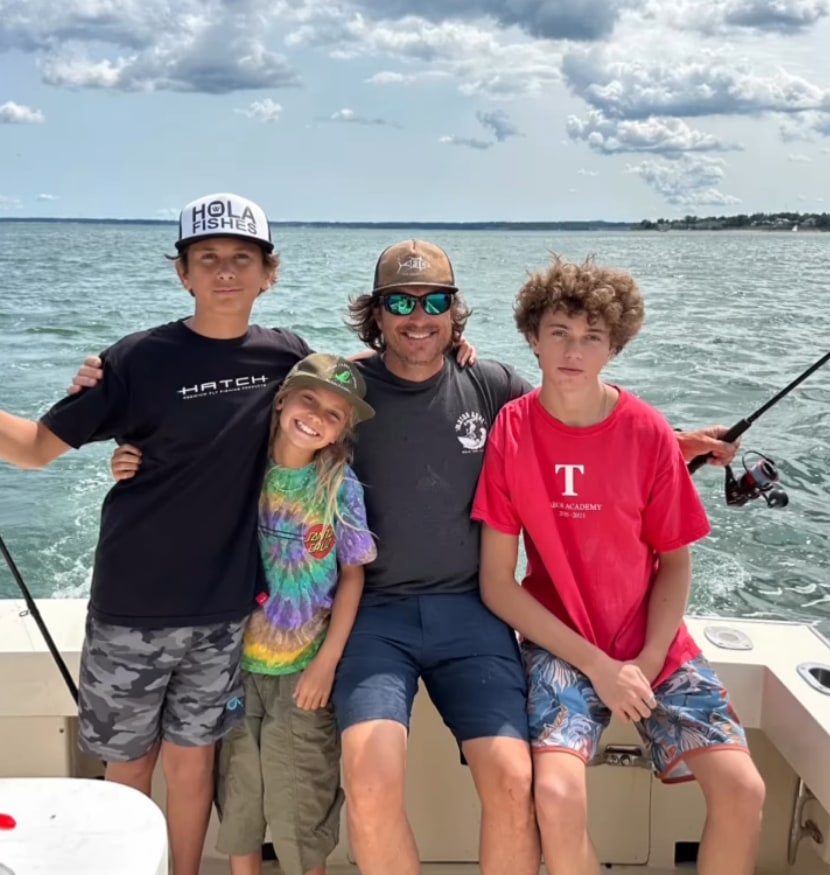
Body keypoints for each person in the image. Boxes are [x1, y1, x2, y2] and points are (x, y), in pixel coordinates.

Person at [73, 240, 741, 875]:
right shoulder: (343, 389)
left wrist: (678, 444)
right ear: (375, 315)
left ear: (454, 312)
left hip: (472, 610)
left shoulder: (491, 384)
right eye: (400, 302)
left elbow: (577, 420)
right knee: (366, 769)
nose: (417, 317)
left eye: (434, 302)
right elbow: (243, 422)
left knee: (513, 777)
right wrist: (136, 445)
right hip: (373, 616)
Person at [0, 192, 313, 875]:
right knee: (130, 765)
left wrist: (457, 345)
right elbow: (33, 448)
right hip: (132, 607)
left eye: (241, 258)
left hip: (225, 610)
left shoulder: (289, 359)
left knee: (195, 763)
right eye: (207, 259)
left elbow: (353, 400)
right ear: (183, 274)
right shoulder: (136, 360)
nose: (225, 272)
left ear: (269, 272)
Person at [471, 255, 765, 875]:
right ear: (532, 337)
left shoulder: (650, 432)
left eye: (592, 338)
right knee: (553, 794)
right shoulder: (512, 431)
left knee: (744, 789)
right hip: (563, 646)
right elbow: (497, 584)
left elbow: (675, 564)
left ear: (614, 347)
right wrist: (601, 667)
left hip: (654, 646)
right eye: (559, 333)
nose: (573, 351)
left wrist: (648, 662)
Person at [214, 353, 377, 875]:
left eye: (334, 414)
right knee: (240, 802)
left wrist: (326, 663)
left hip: (304, 672)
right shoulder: (240, 470)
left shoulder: (341, 487)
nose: (316, 417)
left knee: (300, 809)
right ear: (282, 400)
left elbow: (353, 573)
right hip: (233, 669)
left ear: (340, 432)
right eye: (308, 399)